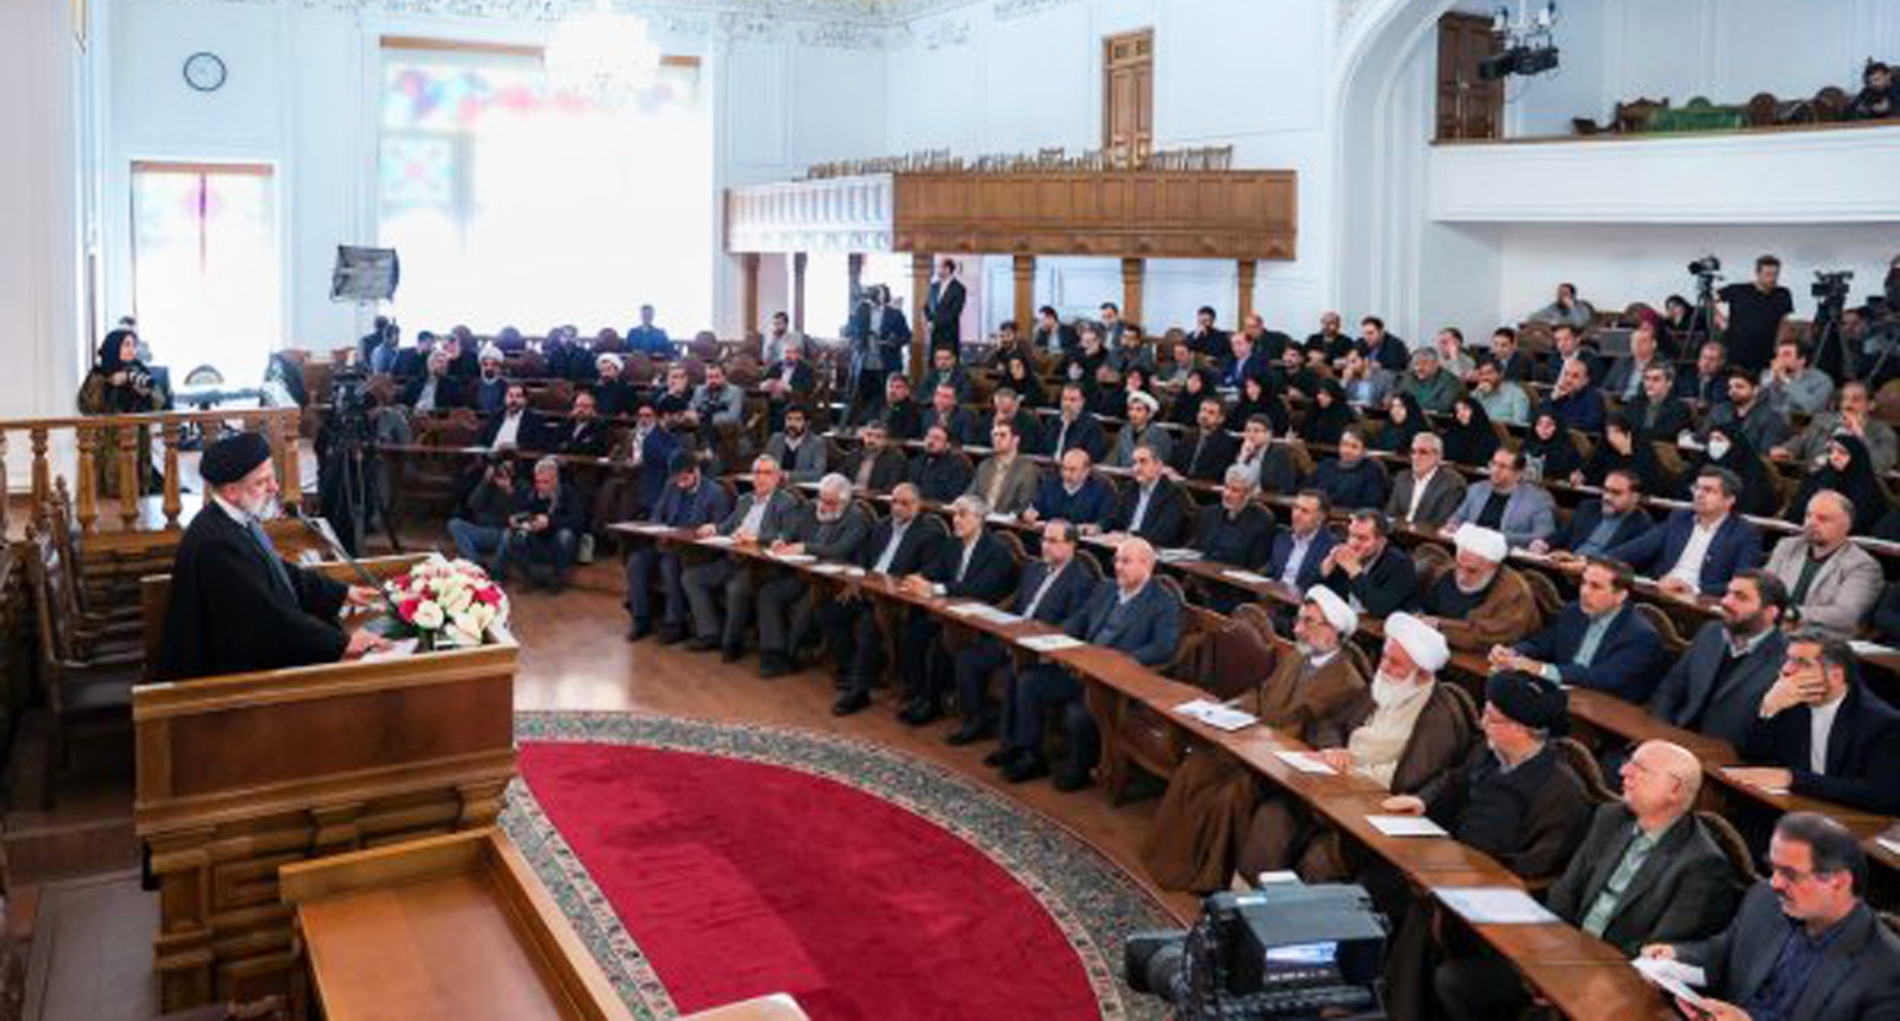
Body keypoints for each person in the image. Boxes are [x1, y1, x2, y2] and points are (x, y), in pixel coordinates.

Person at [1435, 741, 1743, 1021]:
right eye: (1628, 762)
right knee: (1454, 981)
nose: (1624, 771)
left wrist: (1568, 979)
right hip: (1559, 955)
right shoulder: (1610, 818)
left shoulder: (1702, 865)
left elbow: (1655, 953)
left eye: (1640, 768)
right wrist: (1543, 963)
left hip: (1610, 984)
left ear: (1675, 790)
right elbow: (1564, 894)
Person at [1376, 671, 1594, 1020]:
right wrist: (1423, 802)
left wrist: (1462, 877)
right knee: (1378, 879)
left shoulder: (1561, 791)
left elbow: (1538, 865)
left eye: (1491, 718)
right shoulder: (1489, 752)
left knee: (1420, 914)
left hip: (1502, 896)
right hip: (1452, 866)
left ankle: (1399, 1010)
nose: (1481, 723)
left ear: (1520, 729)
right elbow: (1454, 781)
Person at [1140, 587, 1370, 892]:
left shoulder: (1345, 681)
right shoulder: (1298, 658)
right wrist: (1229, 708)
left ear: (1333, 631)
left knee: (1230, 795)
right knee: (1197, 765)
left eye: (1308, 622)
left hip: (1282, 766)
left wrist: (1255, 736)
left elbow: (1303, 730)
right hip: (1253, 742)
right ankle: (1168, 858)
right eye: (1299, 620)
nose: (1298, 629)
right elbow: (1262, 693)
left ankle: (1208, 877)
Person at [1237, 613, 1473, 883]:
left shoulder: (1439, 714)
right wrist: (1335, 749)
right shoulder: (1381, 687)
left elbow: (1415, 780)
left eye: (1395, 664)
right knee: (1272, 817)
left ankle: (1294, 920)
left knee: (1320, 859)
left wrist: (1354, 771)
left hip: (1375, 813)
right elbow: (1330, 723)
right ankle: (1247, 909)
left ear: (1423, 674)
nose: (1383, 668)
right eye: (1384, 657)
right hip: (1333, 790)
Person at [156, 433, 387, 680]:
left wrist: (341, 594)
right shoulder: (216, 545)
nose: (275, 488)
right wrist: (341, 644)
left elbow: (278, 572)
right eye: (262, 482)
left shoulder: (236, 517)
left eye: (272, 477)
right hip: (220, 687)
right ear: (232, 491)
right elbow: (268, 623)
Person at [1641, 812, 1900, 1020]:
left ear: (1839, 882)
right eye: (1773, 868)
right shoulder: (1765, 899)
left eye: (1790, 874)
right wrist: (1677, 958)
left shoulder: (1887, 968)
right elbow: (1724, 952)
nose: (1774, 883)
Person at [997, 538, 1180, 789]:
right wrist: (1056, 638)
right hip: (1080, 667)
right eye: (1116, 560)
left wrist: (1122, 660)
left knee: (1078, 713)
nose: (1117, 566)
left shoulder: (1163, 602)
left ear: (1147, 565)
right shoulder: (1106, 588)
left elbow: (1163, 647)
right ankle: (1031, 755)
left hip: (1115, 681)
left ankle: (1079, 769)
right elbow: (1082, 617)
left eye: (1125, 561)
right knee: (1029, 681)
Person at [949, 519, 1098, 745]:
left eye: (1053, 541)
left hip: (1040, 652)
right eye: (1044, 539)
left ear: (1071, 545)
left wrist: (1036, 636)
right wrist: (989, 616)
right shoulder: (1035, 568)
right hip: (1011, 636)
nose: (1045, 546)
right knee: (967, 658)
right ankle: (977, 721)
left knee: (1014, 675)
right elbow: (1016, 603)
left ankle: (1013, 745)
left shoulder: (1081, 580)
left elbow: (1074, 625)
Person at [1730, 633, 1900, 814]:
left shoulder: (1883, 722)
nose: (1786, 670)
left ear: (1836, 675)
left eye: (1802, 663)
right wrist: (1768, 710)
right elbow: (1749, 754)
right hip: (1793, 810)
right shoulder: (1786, 697)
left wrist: (1791, 778)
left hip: (1851, 823)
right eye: (1788, 659)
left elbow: (1882, 795)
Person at [898, 494, 1019, 723]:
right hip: (950, 614)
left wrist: (935, 589)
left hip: (981, 621)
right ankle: (919, 693)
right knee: (912, 633)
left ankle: (932, 704)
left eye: (962, 514)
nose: (955, 520)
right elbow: (935, 568)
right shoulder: (952, 543)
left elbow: (981, 589)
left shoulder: (997, 551)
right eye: (954, 514)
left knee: (938, 645)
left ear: (980, 519)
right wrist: (918, 578)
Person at [828, 484, 946, 715]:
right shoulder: (881, 525)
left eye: (905, 503)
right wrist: (857, 580)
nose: (898, 508)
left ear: (918, 506)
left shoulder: (930, 533)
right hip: (869, 587)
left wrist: (893, 586)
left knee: (869, 625)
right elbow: (864, 558)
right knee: (832, 610)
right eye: (895, 502)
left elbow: (927, 572)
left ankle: (858, 691)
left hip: (898, 600)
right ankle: (853, 670)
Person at [1492, 557, 1665, 703]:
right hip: (1562, 693)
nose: (1584, 592)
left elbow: (1602, 678)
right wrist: (1512, 653)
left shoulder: (1641, 635)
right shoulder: (1574, 611)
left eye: (1595, 586)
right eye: (1584, 583)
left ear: (1621, 596)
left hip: (1604, 707)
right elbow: (1541, 643)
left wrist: (1540, 669)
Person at [1648, 570, 1790, 749]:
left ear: (1770, 612)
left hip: (1727, 757)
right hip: (1675, 737)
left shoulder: (1787, 659)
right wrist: (1659, 730)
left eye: (1741, 597)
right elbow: (1671, 687)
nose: (1725, 602)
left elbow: (1771, 733)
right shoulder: (1711, 632)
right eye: (1727, 593)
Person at [681, 456, 801, 657]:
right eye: (757, 473)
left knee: (736, 588)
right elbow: (727, 526)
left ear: (777, 477)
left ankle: (732, 644)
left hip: (761, 567)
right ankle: (709, 632)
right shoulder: (744, 500)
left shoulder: (786, 503)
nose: (761, 478)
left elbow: (788, 536)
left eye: (767, 473)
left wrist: (756, 538)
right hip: (734, 558)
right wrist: (714, 528)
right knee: (691, 577)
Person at [754, 474, 869, 678]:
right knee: (768, 593)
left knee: (808, 604)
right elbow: (793, 533)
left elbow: (839, 550)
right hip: (801, 572)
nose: (823, 506)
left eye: (830, 502)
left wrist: (805, 547)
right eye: (821, 499)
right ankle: (774, 652)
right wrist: (782, 541)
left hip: (831, 581)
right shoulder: (810, 508)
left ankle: (790, 657)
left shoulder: (856, 518)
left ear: (844, 501)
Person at [625, 452, 730, 643]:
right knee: (636, 561)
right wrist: (658, 529)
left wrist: (708, 530)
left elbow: (723, 527)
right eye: (676, 478)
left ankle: (675, 623)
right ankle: (641, 618)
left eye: (684, 478)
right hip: (665, 542)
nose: (680, 483)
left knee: (669, 564)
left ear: (696, 472)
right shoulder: (671, 484)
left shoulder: (715, 493)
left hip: (694, 550)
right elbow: (657, 513)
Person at [1609, 466, 1762, 597]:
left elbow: (1742, 584)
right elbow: (1638, 548)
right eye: (1696, 488)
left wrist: (1693, 589)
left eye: (1708, 490)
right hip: (1659, 590)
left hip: (1700, 602)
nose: (1699, 495)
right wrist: (1599, 561)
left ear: (1729, 500)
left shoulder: (1744, 533)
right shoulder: (1680, 518)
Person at [1765, 489, 1883, 638]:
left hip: (1821, 640)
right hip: (1773, 627)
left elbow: (1845, 614)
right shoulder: (1788, 546)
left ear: (1846, 526)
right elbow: (1763, 588)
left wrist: (1792, 613)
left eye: (1822, 518)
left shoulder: (1864, 566)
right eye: (1808, 515)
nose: (1811, 523)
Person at [1418, 524, 1543, 651]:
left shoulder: (1515, 592)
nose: (1462, 576)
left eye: (1472, 571)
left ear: (1493, 566)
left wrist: (1440, 626)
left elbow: (1490, 636)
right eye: (1459, 565)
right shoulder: (1447, 572)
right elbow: (1426, 606)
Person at [78, 328, 167, 496]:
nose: (131, 349)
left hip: (138, 440)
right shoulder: (99, 374)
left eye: (133, 345)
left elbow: (160, 401)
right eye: (126, 345)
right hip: (108, 443)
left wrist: (145, 392)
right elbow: (87, 405)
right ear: (114, 346)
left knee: (137, 489)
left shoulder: (139, 371)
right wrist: (110, 385)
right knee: (112, 493)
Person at [498, 457, 585, 592]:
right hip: (535, 538)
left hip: (556, 541)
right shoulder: (531, 492)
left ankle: (557, 578)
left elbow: (578, 520)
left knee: (565, 535)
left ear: (555, 479)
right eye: (538, 481)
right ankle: (529, 576)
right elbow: (519, 511)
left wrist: (550, 521)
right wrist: (515, 519)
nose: (541, 486)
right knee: (508, 535)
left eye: (545, 482)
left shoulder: (568, 492)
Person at [1774, 381, 1898, 474]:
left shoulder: (1883, 432)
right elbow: (1801, 441)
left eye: (1856, 399)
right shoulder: (1823, 420)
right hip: (1813, 477)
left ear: (1870, 405)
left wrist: (1860, 435)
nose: (1848, 405)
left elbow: (1881, 465)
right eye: (1845, 399)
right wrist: (1787, 449)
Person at [1446, 447, 1557, 548]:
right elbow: (1458, 516)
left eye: (1503, 466)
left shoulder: (1539, 500)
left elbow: (1543, 535)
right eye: (1493, 464)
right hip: (1468, 547)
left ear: (1518, 473)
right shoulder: (1476, 489)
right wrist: (1453, 525)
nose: (1495, 470)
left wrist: (1500, 537)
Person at [1320, 510, 1417, 618]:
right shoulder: (1345, 551)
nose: (1353, 543)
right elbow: (1320, 592)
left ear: (1381, 542)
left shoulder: (1400, 564)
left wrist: (1355, 572)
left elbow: (1379, 608)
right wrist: (1327, 568)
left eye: (1362, 538)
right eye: (1351, 535)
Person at [1787, 435, 1891, 534]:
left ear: (1856, 456)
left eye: (1842, 452)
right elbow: (1795, 513)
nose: (1834, 457)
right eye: (1831, 451)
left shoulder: (1867, 489)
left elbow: (1859, 524)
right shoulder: (1816, 479)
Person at [1538, 467, 1653, 557]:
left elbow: (1623, 561)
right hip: (1565, 565)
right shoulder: (1589, 507)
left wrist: (1581, 561)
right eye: (1605, 490)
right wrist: (1544, 543)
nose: (1607, 497)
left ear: (1634, 497)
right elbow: (1562, 535)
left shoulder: (1641, 525)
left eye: (1616, 493)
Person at [1099, 444, 1191, 547]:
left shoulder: (1173, 493)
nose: (1136, 468)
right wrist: (1099, 527)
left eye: (1143, 462)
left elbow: (1163, 534)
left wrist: (1129, 537)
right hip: (1125, 545)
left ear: (1158, 465)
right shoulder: (1130, 488)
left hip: (1153, 550)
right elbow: (1115, 517)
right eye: (1134, 463)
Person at [449, 453, 526, 574]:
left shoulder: (522, 486)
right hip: (483, 532)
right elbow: (472, 504)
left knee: (508, 535)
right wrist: (485, 481)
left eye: (509, 468)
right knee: (454, 524)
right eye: (502, 467)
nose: (504, 471)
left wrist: (508, 492)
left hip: (504, 535)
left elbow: (520, 516)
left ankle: (496, 572)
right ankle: (477, 563)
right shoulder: (489, 483)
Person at [1717, 255, 1795, 373]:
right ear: (1758, 273)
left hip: (1766, 352)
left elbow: (1784, 322)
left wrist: (1780, 348)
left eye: (1775, 274)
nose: (1772, 279)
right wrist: (1720, 319)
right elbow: (1708, 299)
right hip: (1737, 351)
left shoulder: (1783, 293)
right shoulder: (1738, 290)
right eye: (1768, 274)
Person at [1194, 466, 1277, 574]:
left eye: (1235, 490)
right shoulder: (1209, 513)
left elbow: (1256, 565)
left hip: (1234, 584)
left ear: (1249, 494)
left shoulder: (1262, 521)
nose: (1227, 494)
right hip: (1203, 574)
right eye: (1226, 487)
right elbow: (1199, 549)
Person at [1575, 413, 1672, 496]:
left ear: (1628, 434)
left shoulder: (1644, 453)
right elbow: (1590, 469)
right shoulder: (1604, 447)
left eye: (1616, 433)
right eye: (1608, 433)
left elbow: (1649, 484)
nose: (1611, 438)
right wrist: (1581, 475)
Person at [1385, 432, 1467, 528]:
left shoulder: (1452, 484)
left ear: (1438, 456)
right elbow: (1390, 514)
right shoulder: (1402, 477)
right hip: (1398, 532)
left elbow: (1439, 523)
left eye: (1423, 452)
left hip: (1426, 538)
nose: (1415, 457)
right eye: (1413, 451)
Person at [1024, 447, 1114, 528]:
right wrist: (1030, 513)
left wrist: (1096, 528)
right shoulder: (1050, 483)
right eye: (1064, 468)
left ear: (1086, 471)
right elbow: (1035, 507)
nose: (1066, 474)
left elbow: (1106, 521)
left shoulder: (1101, 489)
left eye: (1072, 470)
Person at [965, 420, 1041, 515]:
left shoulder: (1028, 470)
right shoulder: (985, 465)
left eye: (1002, 435)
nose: (997, 439)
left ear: (1015, 440)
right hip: (980, 518)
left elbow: (1023, 506)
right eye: (994, 435)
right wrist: (959, 502)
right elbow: (970, 494)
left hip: (1006, 525)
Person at [1268, 490, 1337, 590]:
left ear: (1320, 517)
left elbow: (1318, 586)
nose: (1296, 515)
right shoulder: (1282, 537)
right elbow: (1272, 573)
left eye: (1305, 511)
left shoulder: (1330, 547)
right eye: (1295, 508)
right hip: (1275, 598)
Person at [1308, 428, 1388, 511]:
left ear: (1364, 451)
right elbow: (1306, 491)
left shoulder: (1372, 472)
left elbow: (1371, 506)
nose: (1347, 450)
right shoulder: (1325, 465)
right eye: (1344, 444)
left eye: (1354, 447)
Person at [1169, 395, 1240, 482]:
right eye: (1203, 410)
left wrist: (1186, 479)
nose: (1204, 415)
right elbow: (1174, 460)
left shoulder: (1227, 443)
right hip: (1180, 485)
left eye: (1211, 413)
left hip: (1205, 491)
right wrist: (1170, 470)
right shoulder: (1188, 436)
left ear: (1221, 419)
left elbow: (1216, 475)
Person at [1760, 338, 1834, 417]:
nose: (1780, 359)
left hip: (1806, 424)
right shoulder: (1768, 375)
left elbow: (1812, 407)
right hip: (1773, 423)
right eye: (1778, 355)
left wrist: (1786, 380)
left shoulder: (1822, 380)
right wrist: (1771, 379)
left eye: (1786, 355)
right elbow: (1757, 403)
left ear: (1802, 360)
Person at [1230, 413, 1301, 495]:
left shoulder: (1279, 453)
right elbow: (1232, 481)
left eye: (1256, 431)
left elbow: (1287, 487)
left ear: (1268, 434)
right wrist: (1242, 458)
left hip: (1269, 502)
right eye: (1248, 430)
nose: (1251, 435)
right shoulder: (1244, 451)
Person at [1625, 362, 1693, 442]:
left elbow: (1665, 436)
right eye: (1646, 379)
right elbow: (1622, 425)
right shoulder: (1635, 402)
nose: (1649, 384)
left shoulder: (1680, 408)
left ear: (1669, 383)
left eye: (1656, 379)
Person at [907, 424, 972, 503]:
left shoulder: (958, 466)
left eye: (937, 438)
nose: (930, 441)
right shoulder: (916, 461)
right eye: (928, 437)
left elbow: (951, 495)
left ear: (947, 445)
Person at [1105, 390, 1172, 467]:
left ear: (1149, 414)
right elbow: (1113, 457)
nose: (1133, 413)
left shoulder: (1160, 435)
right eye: (1131, 409)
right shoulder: (1124, 431)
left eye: (1139, 410)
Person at [1044, 383, 1109, 462]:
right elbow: (1043, 450)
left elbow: (1093, 457)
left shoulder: (1092, 426)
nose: (1067, 404)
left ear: (1082, 402)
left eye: (1073, 400)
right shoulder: (1052, 422)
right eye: (1064, 399)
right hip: (1049, 468)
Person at [1603, 320, 1666, 401]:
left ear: (1653, 344)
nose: (1636, 345)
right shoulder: (1622, 361)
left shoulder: (1662, 364)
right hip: (1619, 405)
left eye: (1642, 341)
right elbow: (1606, 387)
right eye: (1633, 341)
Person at [764, 404, 827, 484]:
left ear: (807, 423)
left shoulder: (817, 443)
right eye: (789, 419)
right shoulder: (776, 439)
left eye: (798, 420)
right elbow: (764, 464)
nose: (792, 424)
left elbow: (817, 473)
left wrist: (788, 476)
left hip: (803, 490)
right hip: (774, 486)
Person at [842, 420, 908, 494]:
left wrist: (869, 493)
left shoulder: (895, 460)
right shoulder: (854, 455)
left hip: (875, 501)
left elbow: (891, 488)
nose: (871, 440)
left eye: (878, 437)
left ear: (885, 441)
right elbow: (841, 478)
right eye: (869, 435)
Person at [1522, 405, 1583, 482]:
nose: (1544, 428)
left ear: (1558, 427)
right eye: (1539, 424)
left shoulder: (1566, 448)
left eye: (1549, 424)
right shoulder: (1528, 443)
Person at [1395, 345, 1464, 414]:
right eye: (1416, 364)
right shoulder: (1408, 378)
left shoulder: (1451, 382)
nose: (1419, 368)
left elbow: (1444, 406)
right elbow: (1396, 398)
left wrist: (1410, 405)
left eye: (1424, 363)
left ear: (1436, 364)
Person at [479, 382, 546, 451]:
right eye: (510, 396)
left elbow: (539, 444)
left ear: (525, 400)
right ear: (505, 399)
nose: (513, 400)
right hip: (491, 456)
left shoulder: (534, 419)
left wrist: (516, 446)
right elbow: (481, 441)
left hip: (518, 458)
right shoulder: (496, 416)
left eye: (518, 396)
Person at [1468, 354, 1531, 427]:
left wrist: (1500, 425)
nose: (1485, 377)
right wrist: (1476, 395)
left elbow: (1520, 426)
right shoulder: (1476, 394)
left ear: (1501, 374)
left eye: (1489, 373)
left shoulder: (1516, 394)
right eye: (1481, 374)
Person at [1548, 356, 1607, 433]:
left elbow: (1591, 425)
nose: (1568, 380)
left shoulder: (1594, 398)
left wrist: (1558, 424)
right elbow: (1540, 417)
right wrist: (1552, 400)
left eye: (1575, 376)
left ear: (1586, 380)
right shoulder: (1559, 393)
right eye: (1566, 374)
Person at [1440, 395, 1501, 468]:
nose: (1461, 414)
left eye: (1465, 409)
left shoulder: (1489, 437)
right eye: (1457, 411)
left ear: (1475, 410)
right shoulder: (1450, 435)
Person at [547, 390, 610, 457]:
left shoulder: (600, 426)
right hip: (560, 458)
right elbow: (554, 442)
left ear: (593, 409)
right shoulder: (566, 422)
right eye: (578, 406)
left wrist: (567, 446)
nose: (581, 410)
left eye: (585, 407)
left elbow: (594, 449)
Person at [689, 363, 745, 430]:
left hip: (728, 433)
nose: (713, 381)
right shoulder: (699, 390)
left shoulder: (735, 391)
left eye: (717, 377)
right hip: (702, 431)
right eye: (710, 377)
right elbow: (691, 410)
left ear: (724, 377)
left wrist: (707, 418)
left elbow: (732, 417)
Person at [925, 258, 965, 352]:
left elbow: (954, 312)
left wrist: (935, 323)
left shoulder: (959, 288)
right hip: (934, 333)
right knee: (933, 362)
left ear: (947, 269)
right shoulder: (933, 286)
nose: (936, 270)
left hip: (949, 333)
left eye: (939, 267)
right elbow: (927, 306)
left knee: (948, 362)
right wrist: (929, 321)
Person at [1677, 339, 1732, 406]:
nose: (1706, 363)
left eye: (1712, 359)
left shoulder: (1726, 381)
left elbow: (1719, 402)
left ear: (1721, 362)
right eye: (1704, 357)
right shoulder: (1686, 376)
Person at [873, 373, 922, 441]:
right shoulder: (877, 403)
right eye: (890, 386)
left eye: (898, 387)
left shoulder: (912, 410)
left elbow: (905, 435)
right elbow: (862, 421)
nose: (892, 391)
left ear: (907, 391)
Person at [1528, 281, 1595, 330]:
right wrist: (1550, 321)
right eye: (1559, 293)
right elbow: (1532, 317)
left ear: (1572, 296)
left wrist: (1571, 307)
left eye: (1564, 293)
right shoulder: (1554, 306)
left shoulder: (1582, 308)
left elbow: (1578, 324)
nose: (1560, 296)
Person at [592, 353, 637, 417]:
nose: (604, 374)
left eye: (608, 369)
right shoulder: (597, 389)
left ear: (617, 371)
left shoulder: (626, 390)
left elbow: (629, 412)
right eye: (602, 370)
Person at [470, 345, 510, 415]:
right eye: (485, 365)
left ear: (499, 367)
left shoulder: (505, 386)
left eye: (494, 365)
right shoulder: (472, 386)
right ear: (481, 366)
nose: (489, 368)